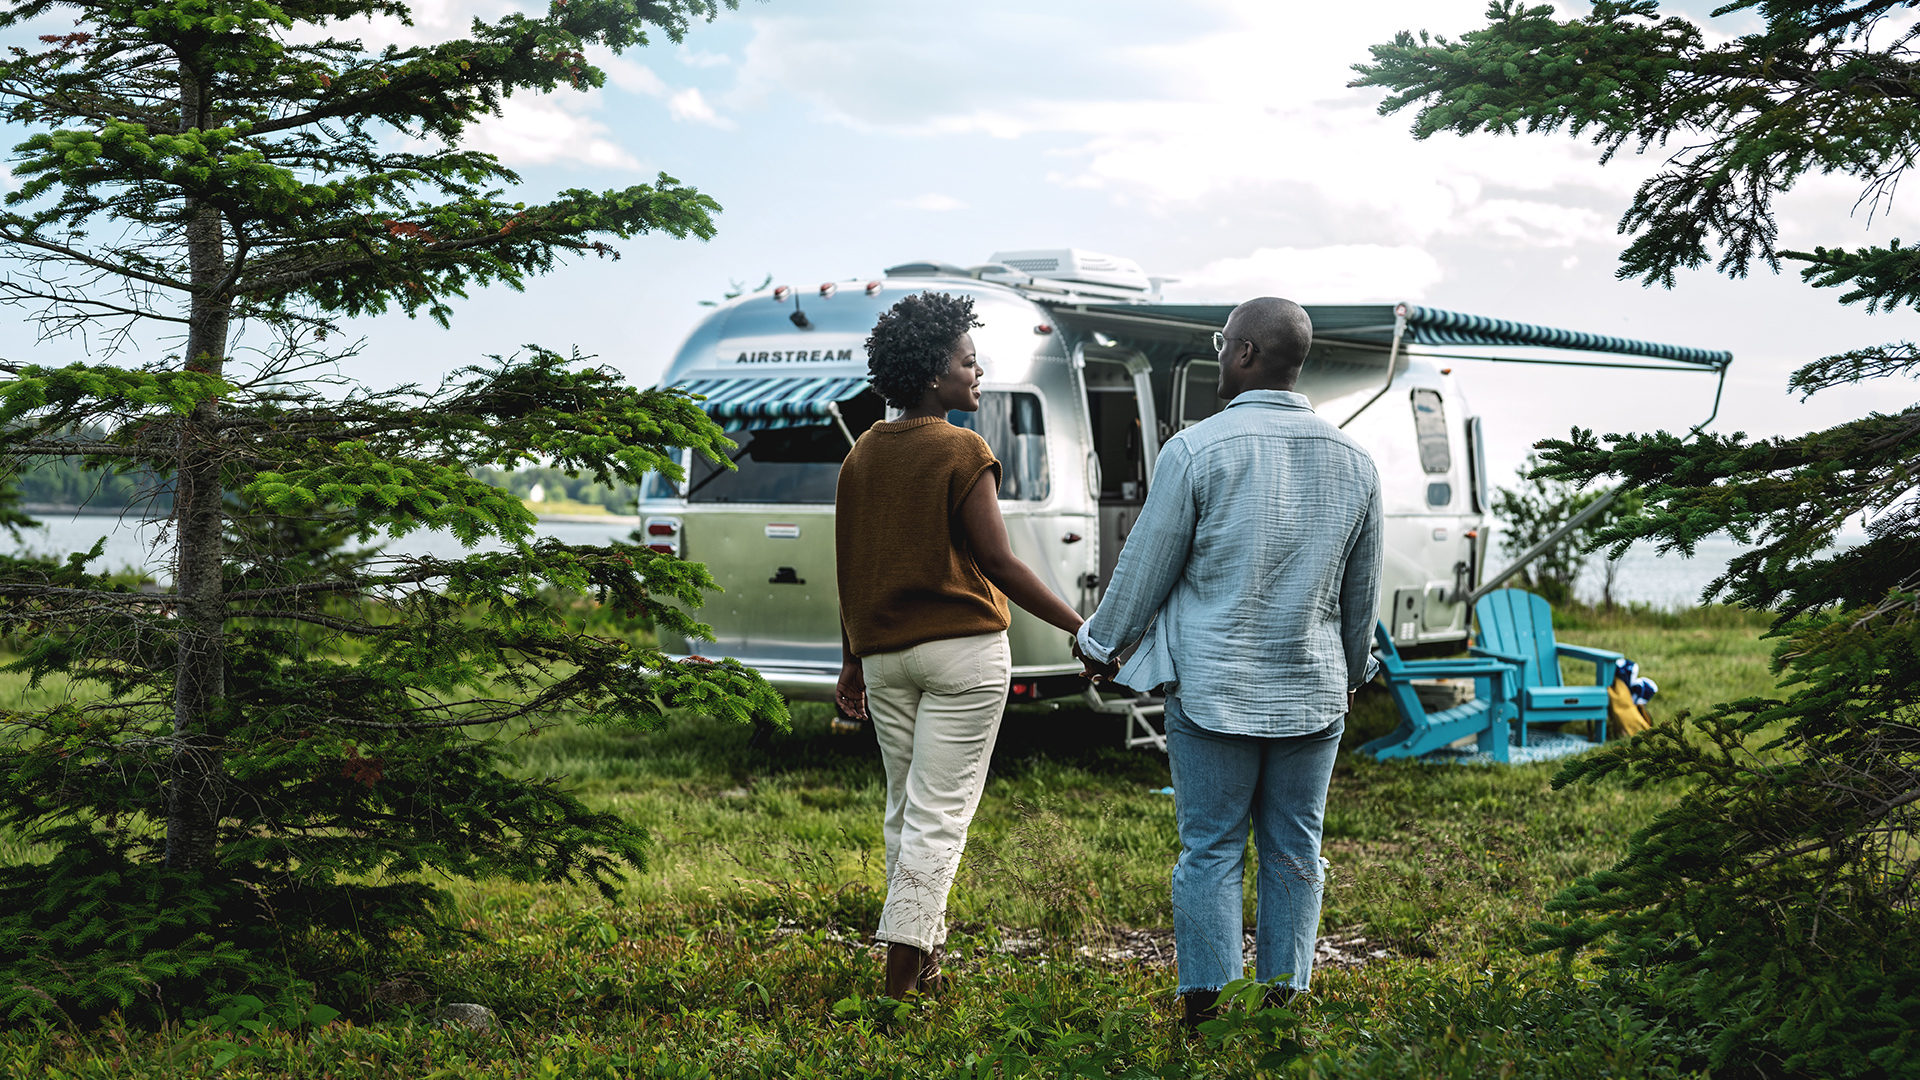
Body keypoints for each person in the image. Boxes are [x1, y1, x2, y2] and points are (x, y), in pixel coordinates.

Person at [1073, 297, 1383, 1026]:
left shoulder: (1195, 450)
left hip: (1213, 690)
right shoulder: (1357, 461)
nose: (1219, 354)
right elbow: (1361, 592)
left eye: (1223, 342)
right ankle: (1282, 1009)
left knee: (1210, 851)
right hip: (1312, 694)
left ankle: (1210, 1014)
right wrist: (1351, 672)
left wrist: (1098, 645)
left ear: (1245, 353)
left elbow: (1144, 568)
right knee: (1296, 851)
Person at [835, 290, 1088, 1000]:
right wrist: (1081, 627)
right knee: (938, 816)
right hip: (963, 653)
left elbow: (850, 566)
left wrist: (851, 661)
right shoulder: (961, 448)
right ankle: (897, 989)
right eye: (969, 362)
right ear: (932, 373)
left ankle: (926, 969)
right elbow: (998, 562)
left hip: (884, 657)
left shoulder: (860, 454)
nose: (978, 374)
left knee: (906, 812)